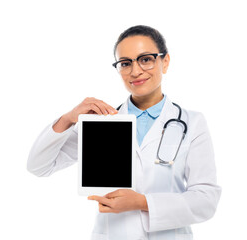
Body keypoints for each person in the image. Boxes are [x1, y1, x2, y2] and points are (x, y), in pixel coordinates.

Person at [27, 25, 221, 240]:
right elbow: (39, 166)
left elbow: (206, 200)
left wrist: (142, 202)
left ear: (164, 61)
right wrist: (68, 119)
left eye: (145, 59)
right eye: (125, 63)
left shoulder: (192, 122)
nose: (135, 71)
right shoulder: (100, 123)